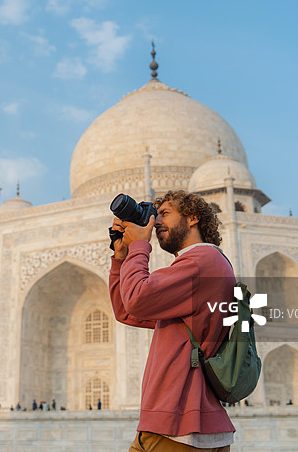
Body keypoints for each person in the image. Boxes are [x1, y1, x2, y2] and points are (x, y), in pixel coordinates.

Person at [110, 190, 235, 451]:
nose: (155, 222)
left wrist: (139, 246)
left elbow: (137, 298)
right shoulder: (196, 266)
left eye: (164, 214)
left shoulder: (203, 262)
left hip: (179, 428)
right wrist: (120, 258)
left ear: (192, 218)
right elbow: (127, 310)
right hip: (175, 425)